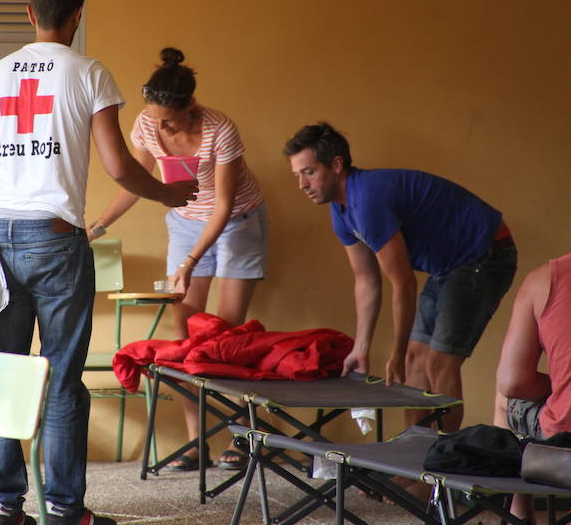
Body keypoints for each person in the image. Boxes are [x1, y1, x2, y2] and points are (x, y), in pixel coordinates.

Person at [0, 0, 196, 525]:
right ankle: (64, 509)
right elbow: (119, 167)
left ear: (30, 12)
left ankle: (0, 503)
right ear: (77, 15)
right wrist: (166, 194)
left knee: (4, 367)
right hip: (58, 239)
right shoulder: (89, 73)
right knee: (61, 374)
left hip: (1, 236)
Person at [89, 47, 268, 471]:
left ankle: (242, 438)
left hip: (237, 221)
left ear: (191, 106)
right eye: (154, 116)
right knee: (188, 338)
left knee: (224, 336)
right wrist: (97, 226)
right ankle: (197, 444)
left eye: (168, 119)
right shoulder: (148, 123)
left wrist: (188, 263)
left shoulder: (220, 129)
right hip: (186, 222)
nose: (160, 125)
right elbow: (136, 182)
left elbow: (223, 205)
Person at [283, 122, 517, 433]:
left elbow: (404, 282)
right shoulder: (341, 210)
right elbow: (366, 279)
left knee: (439, 363)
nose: (302, 184)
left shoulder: (367, 201)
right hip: (447, 265)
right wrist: (362, 347)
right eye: (297, 175)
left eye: (309, 172)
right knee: (413, 360)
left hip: (484, 254)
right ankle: (413, 465)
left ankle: (443, 470)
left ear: (337, 165)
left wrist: (393, 350)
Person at [493, 253, 571, 523]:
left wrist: (560, 387)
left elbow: (513, 382)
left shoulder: (543, 279)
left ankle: (518, 514)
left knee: (503, 397)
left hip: (565, 437)